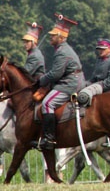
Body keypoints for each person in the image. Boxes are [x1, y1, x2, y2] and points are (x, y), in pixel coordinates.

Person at [33, 13, 85, 150]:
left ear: (61, 37)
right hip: (69, 80)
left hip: (70, 83)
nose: (51, 37)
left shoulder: (62, 52)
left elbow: (56, 73)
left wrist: (41, 81)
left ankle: (49, 138)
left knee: (47, 103)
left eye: (53, 35)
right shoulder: (61, 50)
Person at [77, 38, 110, 106]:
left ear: (109, 49)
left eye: (103, 49)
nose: (100, 51)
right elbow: (93, 78)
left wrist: (97, 85)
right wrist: (84, 84)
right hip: (98, 88)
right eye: (99, 49)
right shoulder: (99, 61)